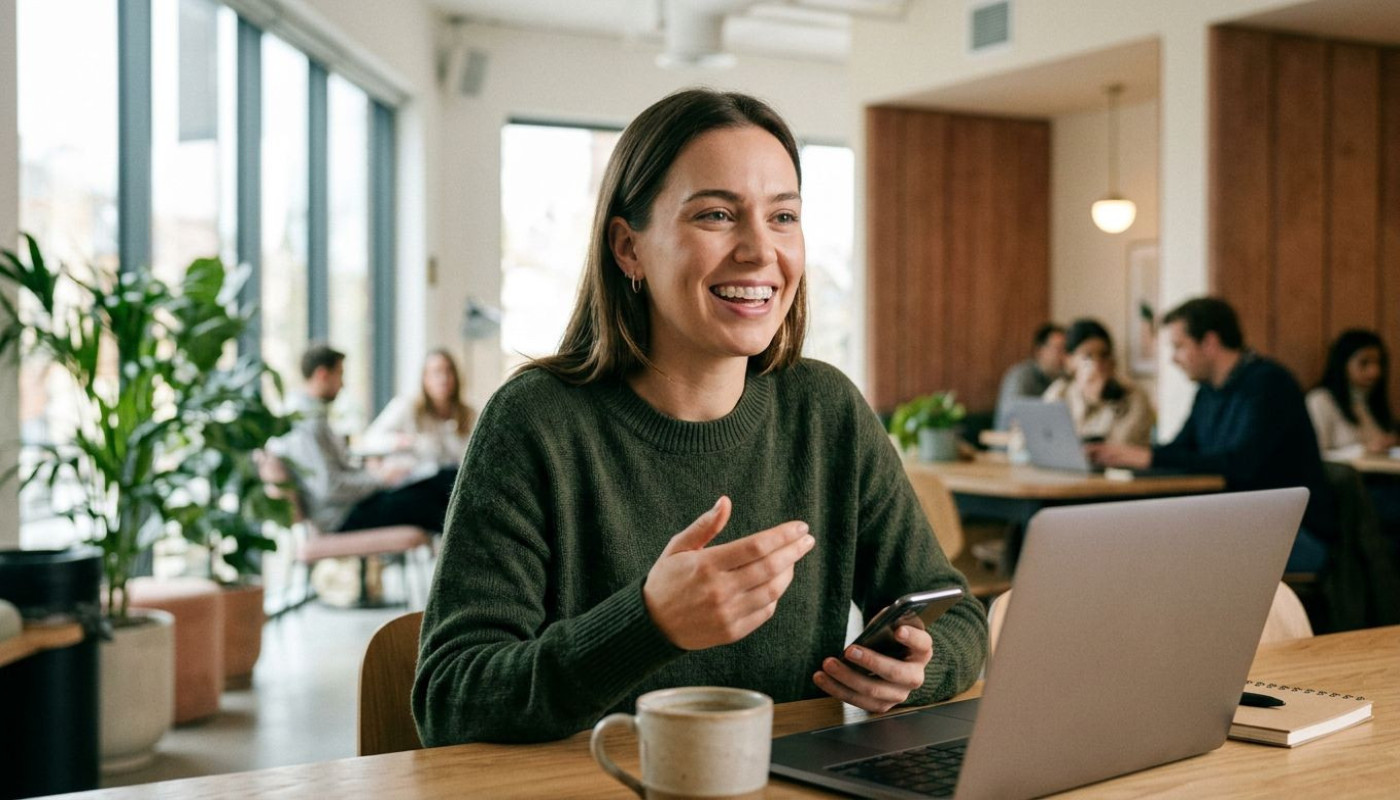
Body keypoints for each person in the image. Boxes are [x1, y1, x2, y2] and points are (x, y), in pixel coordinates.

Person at [412, 89, 987, 746]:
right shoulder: (534, 421)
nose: (759, 251)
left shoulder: (826, 410)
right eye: (717, 215)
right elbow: (450, 698)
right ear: (628, 248)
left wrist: (915, 668)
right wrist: (648, 623)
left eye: (783, 216)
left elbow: (958, 617)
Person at [1090, 297, 1335, 572]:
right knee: (1143, 543)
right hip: (1240, 524)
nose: (1173, 358)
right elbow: (1182, 449)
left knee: (1170, 559)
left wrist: (1149, 457)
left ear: (1209, 342)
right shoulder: (1207, 391)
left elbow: (1240, 465)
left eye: (1179, 346)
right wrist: (1127, 454)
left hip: (1292, 532)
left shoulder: (1269, 384)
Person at [271, 344, 455, 534]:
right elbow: (329, 488)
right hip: (340, 516)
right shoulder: (306, 422)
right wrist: (379, 479)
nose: (342, 385)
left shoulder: (308, 414)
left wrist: (372, 474)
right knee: (430, 500)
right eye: (339, 375)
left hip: (348, 506)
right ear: (322, 375)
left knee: (442, 480)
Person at [1041, 318, 1154, 446]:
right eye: (1087, 356)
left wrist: (1099, 399)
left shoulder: (1133, 397)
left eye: (1104, 355)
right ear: (1069, 360)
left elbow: (1117, 446)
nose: (1097, 364)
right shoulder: (1059, 392)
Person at [363, 348, 476, 474]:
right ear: (425, 378)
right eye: (436, 372)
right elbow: (370, 439)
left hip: (453, 479)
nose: (443, 379)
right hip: (416, 479)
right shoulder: (406, 407)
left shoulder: (468, 414)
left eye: (449, 371)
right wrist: (402, 441)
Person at [1306, 329, 1396, 459]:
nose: (1374, 371)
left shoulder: (1371, 402)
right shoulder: (1320, 400)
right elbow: (1313, 455)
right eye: (1364, 363)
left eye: (1379, 363)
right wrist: (1363, 450)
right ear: (1343, 363)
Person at [994, 322, 1067, 430]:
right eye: (1058, 349)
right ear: (1040, 351)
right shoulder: (1021, 376)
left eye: (1066, 349)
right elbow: (1014, 419)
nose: (1063, 355)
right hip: (1009, 438)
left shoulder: (1061, 379)